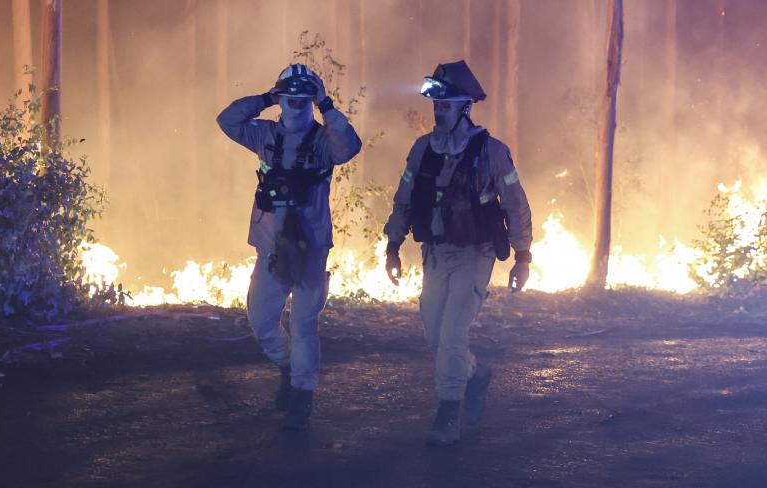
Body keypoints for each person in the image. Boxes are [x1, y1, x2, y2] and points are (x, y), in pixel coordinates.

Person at [382, 60, 534, 446]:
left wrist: (523, 255)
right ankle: (476, 375)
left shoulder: (492, 152)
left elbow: (515, 204)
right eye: (436, 105)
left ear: (465, 107)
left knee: (451, 338)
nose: (438, 111)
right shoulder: (422, 150)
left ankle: (448, 416)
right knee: (435, 337)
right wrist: (394, 244)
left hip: (475, 254)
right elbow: (404, 199)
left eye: (445, 105)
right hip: (436, 253)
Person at [216, 63, 362, 430]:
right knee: (262, 321)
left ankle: (301, 395)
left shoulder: (324, 141)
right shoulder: (265, 136)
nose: (296, 103)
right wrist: (266, 97)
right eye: (289, 96)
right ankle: (286, 367)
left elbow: (349, 146)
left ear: (312, 99)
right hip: (271, 248)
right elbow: (228, 119)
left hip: (311, 248)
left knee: (303, 323)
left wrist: (326, 105)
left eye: (304, 97)